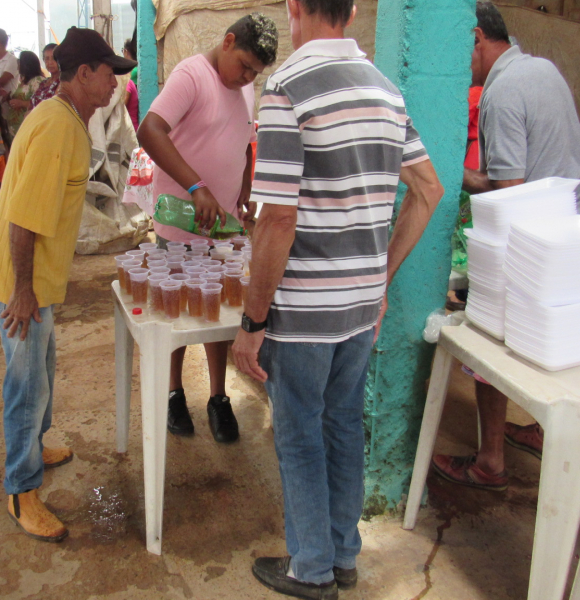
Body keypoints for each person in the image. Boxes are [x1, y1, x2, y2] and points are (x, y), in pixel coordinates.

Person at [230, 0, 442, 594]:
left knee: (299, 434)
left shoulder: (287, 89)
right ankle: (342, 556)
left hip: (302, 312)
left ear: (295, 6)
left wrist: (252, 320)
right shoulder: (386, 91)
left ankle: (312, 569)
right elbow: (428, 190)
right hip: (357, 310)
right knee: (344, 427)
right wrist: (379, 280)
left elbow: (276, 221)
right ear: (351, 10)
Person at [0, 26, 134, 543]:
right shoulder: (59, 126)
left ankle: (37, 443)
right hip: (20, 281)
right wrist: (23, 291)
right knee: (26, 382)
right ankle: (22, 490)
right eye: (110, 74)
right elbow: (23, 218)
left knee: (42, 366)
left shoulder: (65, 119)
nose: (116, 84)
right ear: (83, 74)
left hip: (35, 279)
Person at [435, 1, 580, 494]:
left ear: (477, 39)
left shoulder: (501, 90)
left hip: (538, 245)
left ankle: (490, 461)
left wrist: (456, 176)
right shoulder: (543, 68)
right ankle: (546, 429)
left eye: (460, 52)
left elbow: (512, 191)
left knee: (490, 342)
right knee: (562, 345)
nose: (461, 65)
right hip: (579, 232)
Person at [137, 13, 278, 443]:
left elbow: (242, 139)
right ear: (228, 40)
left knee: (218, 314)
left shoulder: (244, 85)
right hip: (182, 223)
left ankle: (218, 397)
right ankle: (175, 393)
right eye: (245, 65)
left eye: (256, 71)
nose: (248, 76)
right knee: (179, 315)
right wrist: (196, 185)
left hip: (222, 229)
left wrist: (245, 185)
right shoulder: (191, 76)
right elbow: (150, 130)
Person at [6, 50, 45, 132]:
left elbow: (41, 103)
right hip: (15, 127)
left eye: (19, 62)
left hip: (27, 127)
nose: (18, 66)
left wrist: (21, 103)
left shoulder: (37, 81)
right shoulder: (23, 80)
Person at [29, 43, 60, 109]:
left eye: (54, 58)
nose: (50, 62)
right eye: (47, 59)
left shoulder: (63, 82)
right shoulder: (43, 82)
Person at [121, 37, 139, 128]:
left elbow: (122, 105)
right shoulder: (136, 68)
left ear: (126, 51)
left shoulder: (129, 76)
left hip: (131, 127)